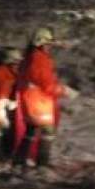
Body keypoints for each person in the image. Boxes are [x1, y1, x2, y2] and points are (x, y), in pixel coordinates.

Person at [12, 27, 70, 171]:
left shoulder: (29, 57)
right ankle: (42, 165)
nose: (50, 47)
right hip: (39, 102)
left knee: (31, 130)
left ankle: (19, 161)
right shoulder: (40, 59)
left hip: (30, 100)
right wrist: (64, 90)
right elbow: (46, 83)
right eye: (49, 44)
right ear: (41, 43)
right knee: (47, 132)